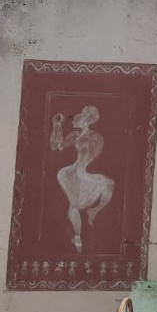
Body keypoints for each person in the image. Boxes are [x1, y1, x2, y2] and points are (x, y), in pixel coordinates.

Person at [50, 105, 115, 252]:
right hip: (70, 173)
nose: (78, 118)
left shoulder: (95, 137)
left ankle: (94, 212)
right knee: (74, 205)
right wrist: (57, 125)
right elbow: (56, 146)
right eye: (83, 116)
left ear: (89, 120)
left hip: (82, 171)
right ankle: (78, 237)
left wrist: (86, 159)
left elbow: (92, 155)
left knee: (108, 184)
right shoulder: (75, 135)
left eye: (85, 116)